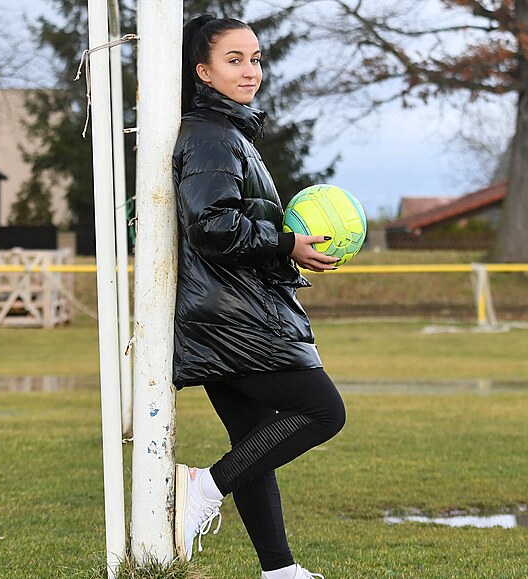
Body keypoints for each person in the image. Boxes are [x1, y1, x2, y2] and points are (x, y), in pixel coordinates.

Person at [171, 14, 345, 579]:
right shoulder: (209, 136)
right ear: (203, 71)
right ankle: (204, 486)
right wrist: (288, 241)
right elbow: (212, 226)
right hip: (230, 317)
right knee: (322, 410)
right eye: (234, 60)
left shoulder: (229, 133)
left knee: (254, 441)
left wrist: (286, 243)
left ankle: (279, 571)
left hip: (224, 311)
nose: (251, 72)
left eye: (256, 59)